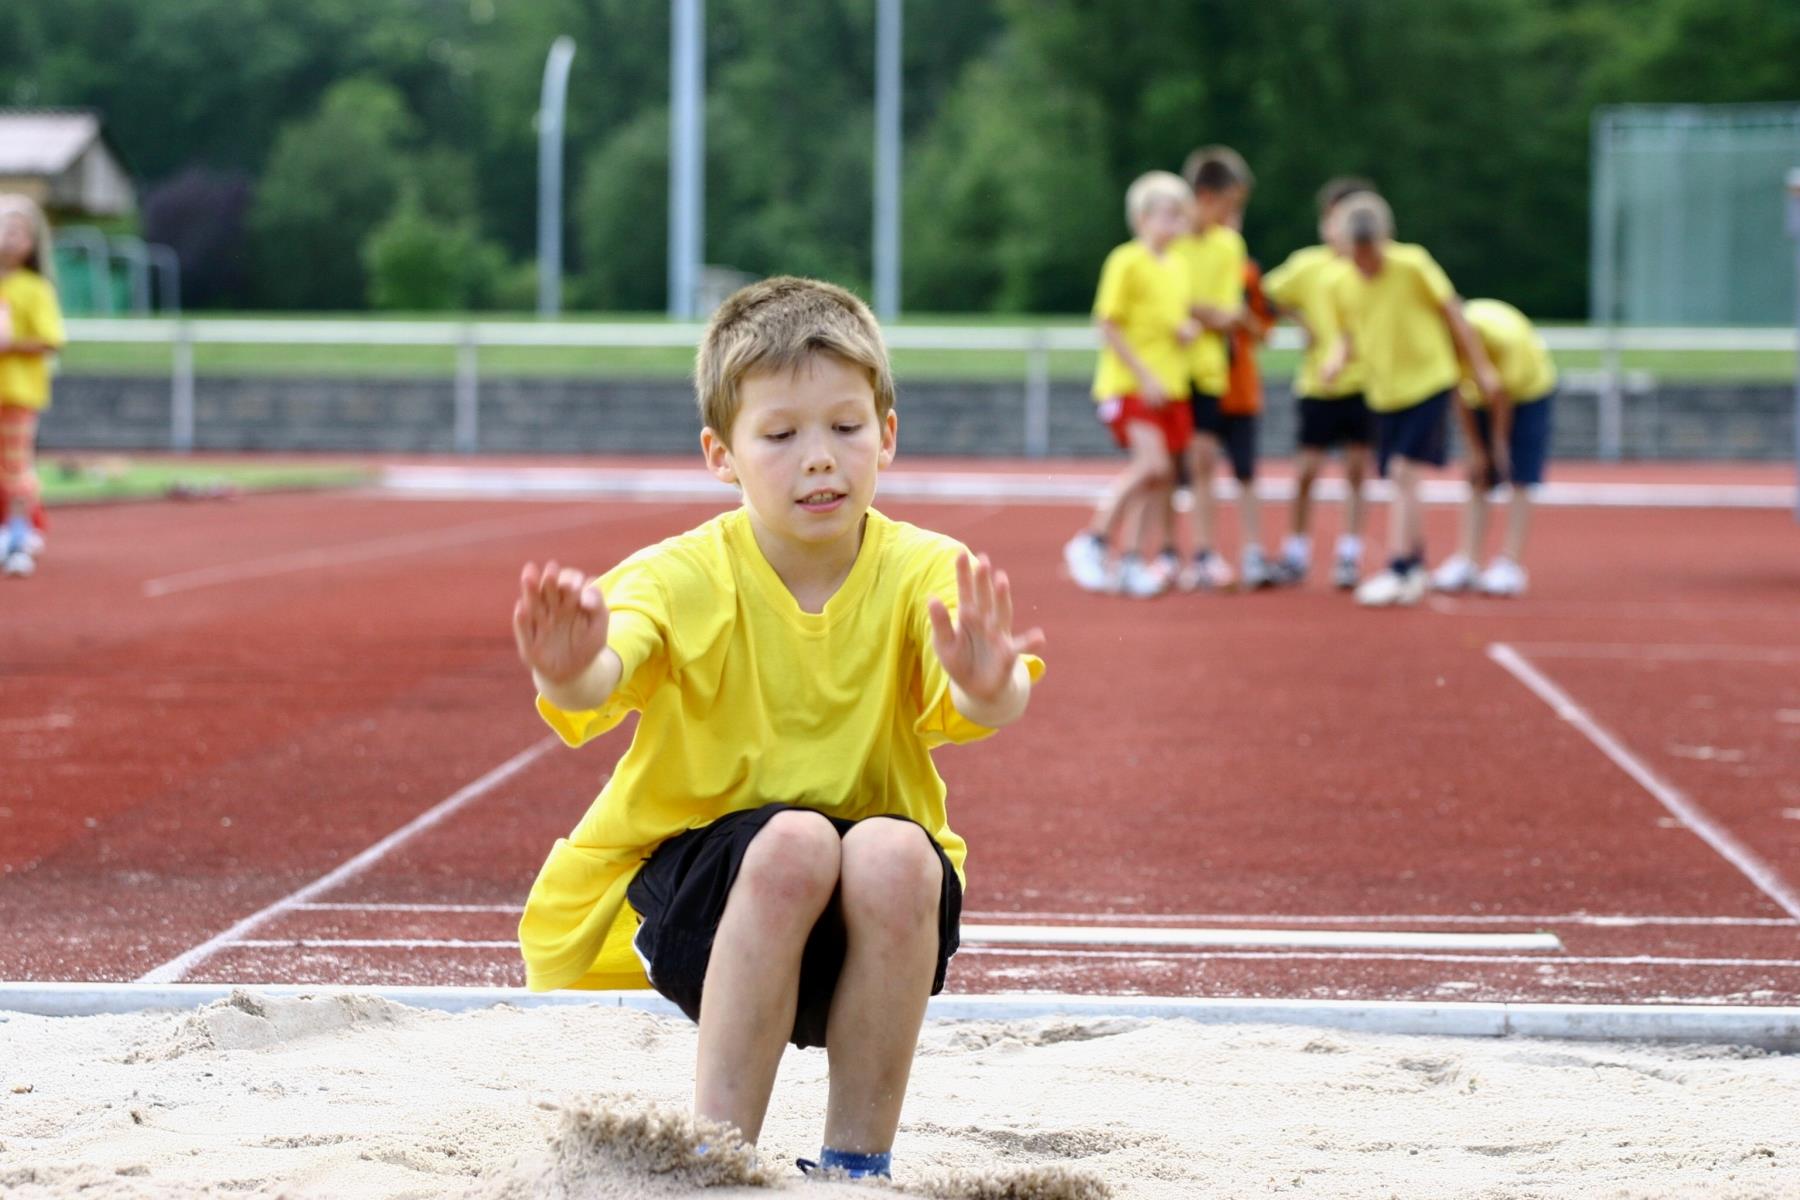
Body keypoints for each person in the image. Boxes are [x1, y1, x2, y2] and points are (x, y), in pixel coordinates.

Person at [511, 276, 1046, 1180]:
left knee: (897, 852)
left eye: (845, 427)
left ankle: (855, 1166)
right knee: (796, 840)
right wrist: (569, 668)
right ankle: (716, 1160)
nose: (820, 459)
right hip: (703, 908)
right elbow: (608, 665)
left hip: (873, 932)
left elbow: (989, 702)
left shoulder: (926, 572)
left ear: (887, 433)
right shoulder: (679, 573)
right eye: (782, 435)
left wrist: (990, 686)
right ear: (722, 454)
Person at [1319, 192, 1502, 607]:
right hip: (1384, 391)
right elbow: (1347, 334)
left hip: (1428, 382)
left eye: (1372, 253)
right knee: (1396, 477)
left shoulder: (1412, 265)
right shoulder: (1337, 283)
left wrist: (1481, 368)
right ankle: (1415, 564)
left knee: (1404, 472)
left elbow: (1453, 312)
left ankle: (1399, 565)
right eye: (1358, 255)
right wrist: (1334, 362)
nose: (1366, 263)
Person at [1063, 171, 1196, 598]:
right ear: (1141, 218)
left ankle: (1133, 559)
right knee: (1153, 466)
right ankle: (1093, 539)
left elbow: (1162, 319)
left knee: (1161, 479)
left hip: (1171, 387)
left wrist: (1184, 331)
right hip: (1132, 385)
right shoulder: (1127, 260)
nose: (1176, 225)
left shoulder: (1177, 266)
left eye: (1180, 216)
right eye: (1168, 216)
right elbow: (1108, 322)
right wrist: (1143, 374)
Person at [1262, 177, 1378, 589]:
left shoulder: (1371, 267)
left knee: (1357, 469)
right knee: (1307, 470)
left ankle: (1349, 552)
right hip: (1319, 384)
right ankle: (1297, 549)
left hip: (1364, 381)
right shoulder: (1308, 265)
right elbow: (1265, 292)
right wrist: (1301, 322)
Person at [1431, 297, 1557, 597]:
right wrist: (1476, 450)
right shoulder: (1442, 338)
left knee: (1519, 474)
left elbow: (1502, 394)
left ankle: (1509, 564)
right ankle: (1468, 559)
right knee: (1478, 475)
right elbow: (1458, 393)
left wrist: (1499, 445)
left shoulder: (1505, 339)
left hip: (1529, 392)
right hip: (1484, 396)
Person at [1166, 150, 1249, 591]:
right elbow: (1164, 306)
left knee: (1202, 460)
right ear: (1204, 196)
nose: (1234, 216)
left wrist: (1194, 312)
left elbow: (1229, 313)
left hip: (1208, 368)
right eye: (1229, 204)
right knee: (1164, 463)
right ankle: (1163, 553)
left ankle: (1202, 551)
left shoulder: (1228, 244)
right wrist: (1201, 313)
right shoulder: (1168, 237)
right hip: (1167, 366)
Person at [0, 195, 66, 579]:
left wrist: (11, 344)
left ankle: (21, 534)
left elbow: (50, 338)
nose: (8, 239)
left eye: (17, 232)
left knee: (14, 467)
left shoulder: (35, 288)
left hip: (18, 394)